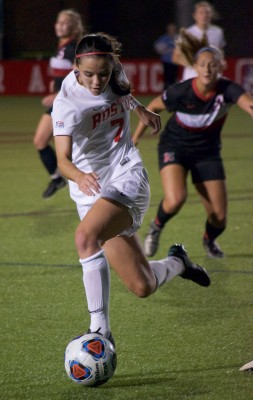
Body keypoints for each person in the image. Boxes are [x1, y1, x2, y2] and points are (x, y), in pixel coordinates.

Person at [52, 32, 211, 346]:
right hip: (90, 189)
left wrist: (140, 110)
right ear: (75, 67)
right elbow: (61, 160)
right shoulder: (66, 104)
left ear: (112, 67)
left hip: (126, 176)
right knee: (142, 285)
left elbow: (121, 92)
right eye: (89, 75)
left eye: (103, 74)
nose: (97, 81)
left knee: (85, 237)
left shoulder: (114, 74)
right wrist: (80, 175)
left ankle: (100, 331)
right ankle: (179, 262)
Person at [132, 46, 253, 258]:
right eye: (202, 64)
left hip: (207, 153)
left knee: (219, 217)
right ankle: (156, 227)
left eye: (212, 64)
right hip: (174, 146)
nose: (207, 69)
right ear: (195, 67)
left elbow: (249, 104)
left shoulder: (228, 90)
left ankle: (209, 240)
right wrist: (135, 139)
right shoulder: (181, 91)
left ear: (221, 66)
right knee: (176, 198)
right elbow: (153, 105)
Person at [33, 9, 85, 198]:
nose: (60, 26)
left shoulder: (73, 48)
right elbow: (61, 74)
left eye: (65, 23)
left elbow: (80, 76)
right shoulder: (61, 46)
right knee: (40, 140)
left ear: (73, 27)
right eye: (58, 22)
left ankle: (86, 184)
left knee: (76, 148)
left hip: (68, 102)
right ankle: (58, 178)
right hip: (59, 101)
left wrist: (56, 94)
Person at [172, 1, 226, 81]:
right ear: (195, 16)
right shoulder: (187, 33)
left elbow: (220, 53)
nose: (204, 15)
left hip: (213, 77)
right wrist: (192, 63)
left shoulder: (218, 32)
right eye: (201, 13)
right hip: (192, 76)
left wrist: (221, 62)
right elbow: (175, 58)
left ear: (211, 14)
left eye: (207, 12)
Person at [153, 22, 179, 88]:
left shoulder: (177, 38)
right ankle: (166, 92)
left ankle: (173, 92)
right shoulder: (164, 38)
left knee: (174, 78)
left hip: (175, 62)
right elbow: (158, 48)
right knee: (166, 79)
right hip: (166, 61)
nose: (172, 31)